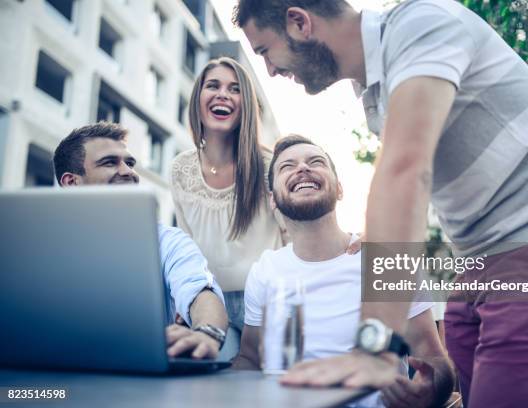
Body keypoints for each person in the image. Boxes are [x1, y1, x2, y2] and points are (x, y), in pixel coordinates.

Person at [233, 0, 528, 406]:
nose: (270, 70)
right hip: (481, 259)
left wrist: (373, 348)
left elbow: (405, 172)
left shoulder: (421, 25)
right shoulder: (375, 90)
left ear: (298, 22)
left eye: (265, 52)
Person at [233, 135, 454, 407]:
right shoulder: (264, 271)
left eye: (315, 162)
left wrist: (430, 391)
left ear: (339, 189)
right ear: (273, 200)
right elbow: (250, 360)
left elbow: (436, 362)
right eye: (287, 166)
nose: (302, 168)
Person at [170, 57, 359, 346]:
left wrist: (357, 244)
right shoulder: (180, 168)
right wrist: (185, 300)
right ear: (198, 98)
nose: (223, 94)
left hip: (270, 298)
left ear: (245, 104)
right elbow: (185, 244)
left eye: (235, 89)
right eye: (213, 86)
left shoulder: (270, 165)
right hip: (211, 305)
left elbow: (300, 231)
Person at [54, 121, 229, 360]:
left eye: (130, 162)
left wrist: (208, 333)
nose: (129, 172)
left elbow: (200, 291)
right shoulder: (37, 245)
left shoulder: (168, 241)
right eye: (109, 162)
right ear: (72, 182)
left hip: (140, 381)